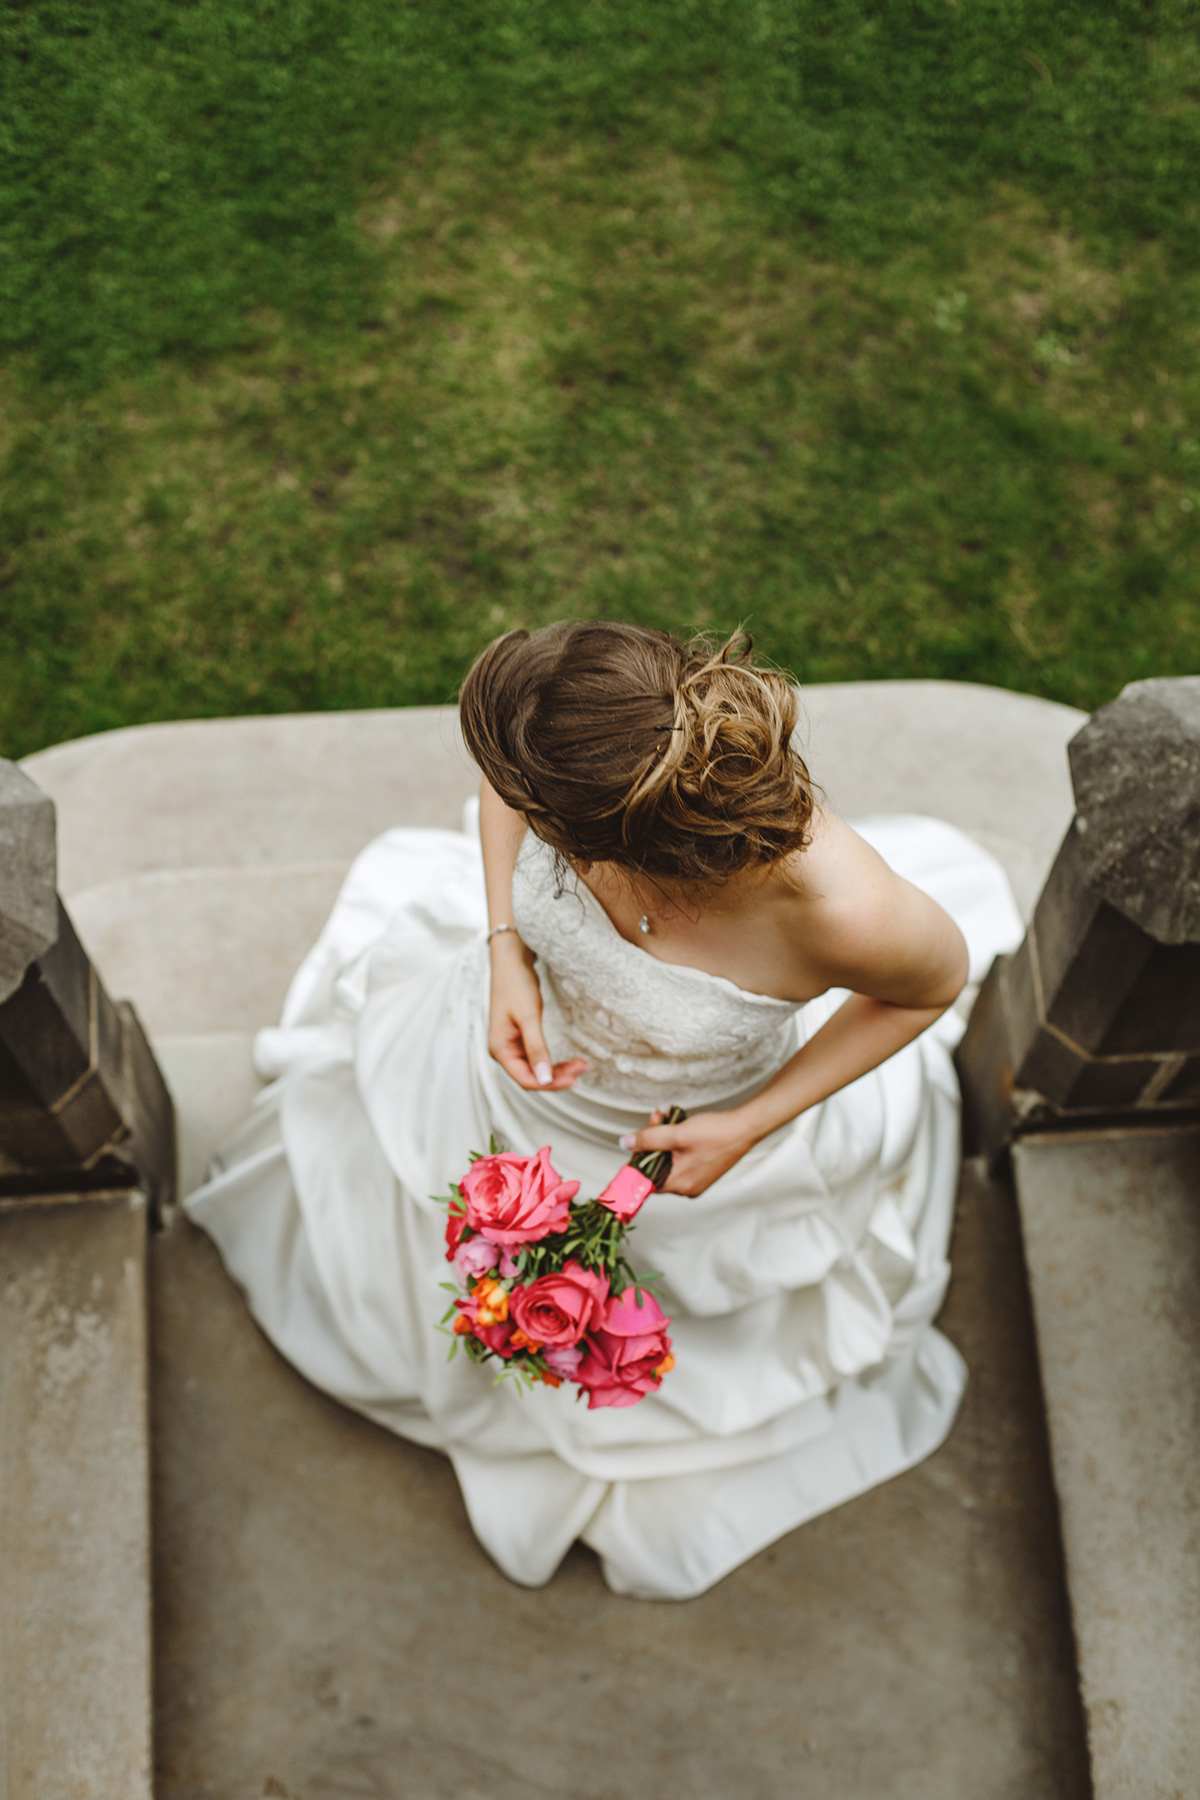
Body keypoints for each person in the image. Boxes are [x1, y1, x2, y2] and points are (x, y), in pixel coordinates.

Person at [186, 622, 1022, 1600]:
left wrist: (750, 1121)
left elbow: (927, 990)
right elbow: (508, 781)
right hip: (514, 1072)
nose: (516, 803)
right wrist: (507, 943)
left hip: (699, 1130)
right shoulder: (597, 733)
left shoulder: (844, 911)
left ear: (609, 831)